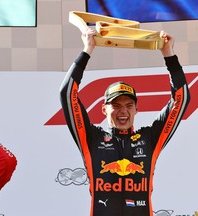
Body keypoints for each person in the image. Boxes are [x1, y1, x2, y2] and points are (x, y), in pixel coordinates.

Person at [60, 28, 190, 216]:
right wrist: (87, 50)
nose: (123, 111)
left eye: (129, 105)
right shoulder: (91, 138)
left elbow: (181, 99)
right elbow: (67, 94)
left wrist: (168, 53)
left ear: (137, 109)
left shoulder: (150, 139)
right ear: (104, 109)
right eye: (116, 105)